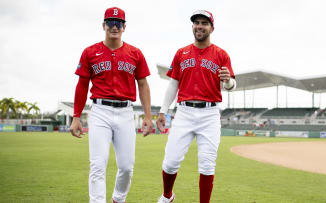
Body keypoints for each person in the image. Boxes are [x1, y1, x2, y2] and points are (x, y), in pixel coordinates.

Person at [69, 7, 153, 203]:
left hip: (126, 112)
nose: (114, 26)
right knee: (98, 165)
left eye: (118, 23)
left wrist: (148, 116)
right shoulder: (90, 52)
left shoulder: (135, 53)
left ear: (124, 27)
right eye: (110, 22)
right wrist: (75, 116)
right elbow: (82, 85)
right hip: (100, 111)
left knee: (126, 166)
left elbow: (143, 84)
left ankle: (118, 198)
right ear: (103, 25)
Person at [156, 10, 236, 203]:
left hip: (209, 113)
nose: (199, 26)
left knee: (207, 165)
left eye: (204, 23)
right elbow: (173, 84)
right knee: (170, 161)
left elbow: (231, 85)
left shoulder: (221, 54)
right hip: (184, 111)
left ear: (212, 28)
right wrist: (162, 111)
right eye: (196, 23)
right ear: (193, 26)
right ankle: (167, 196)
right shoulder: (181, 53)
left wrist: (228, 82)